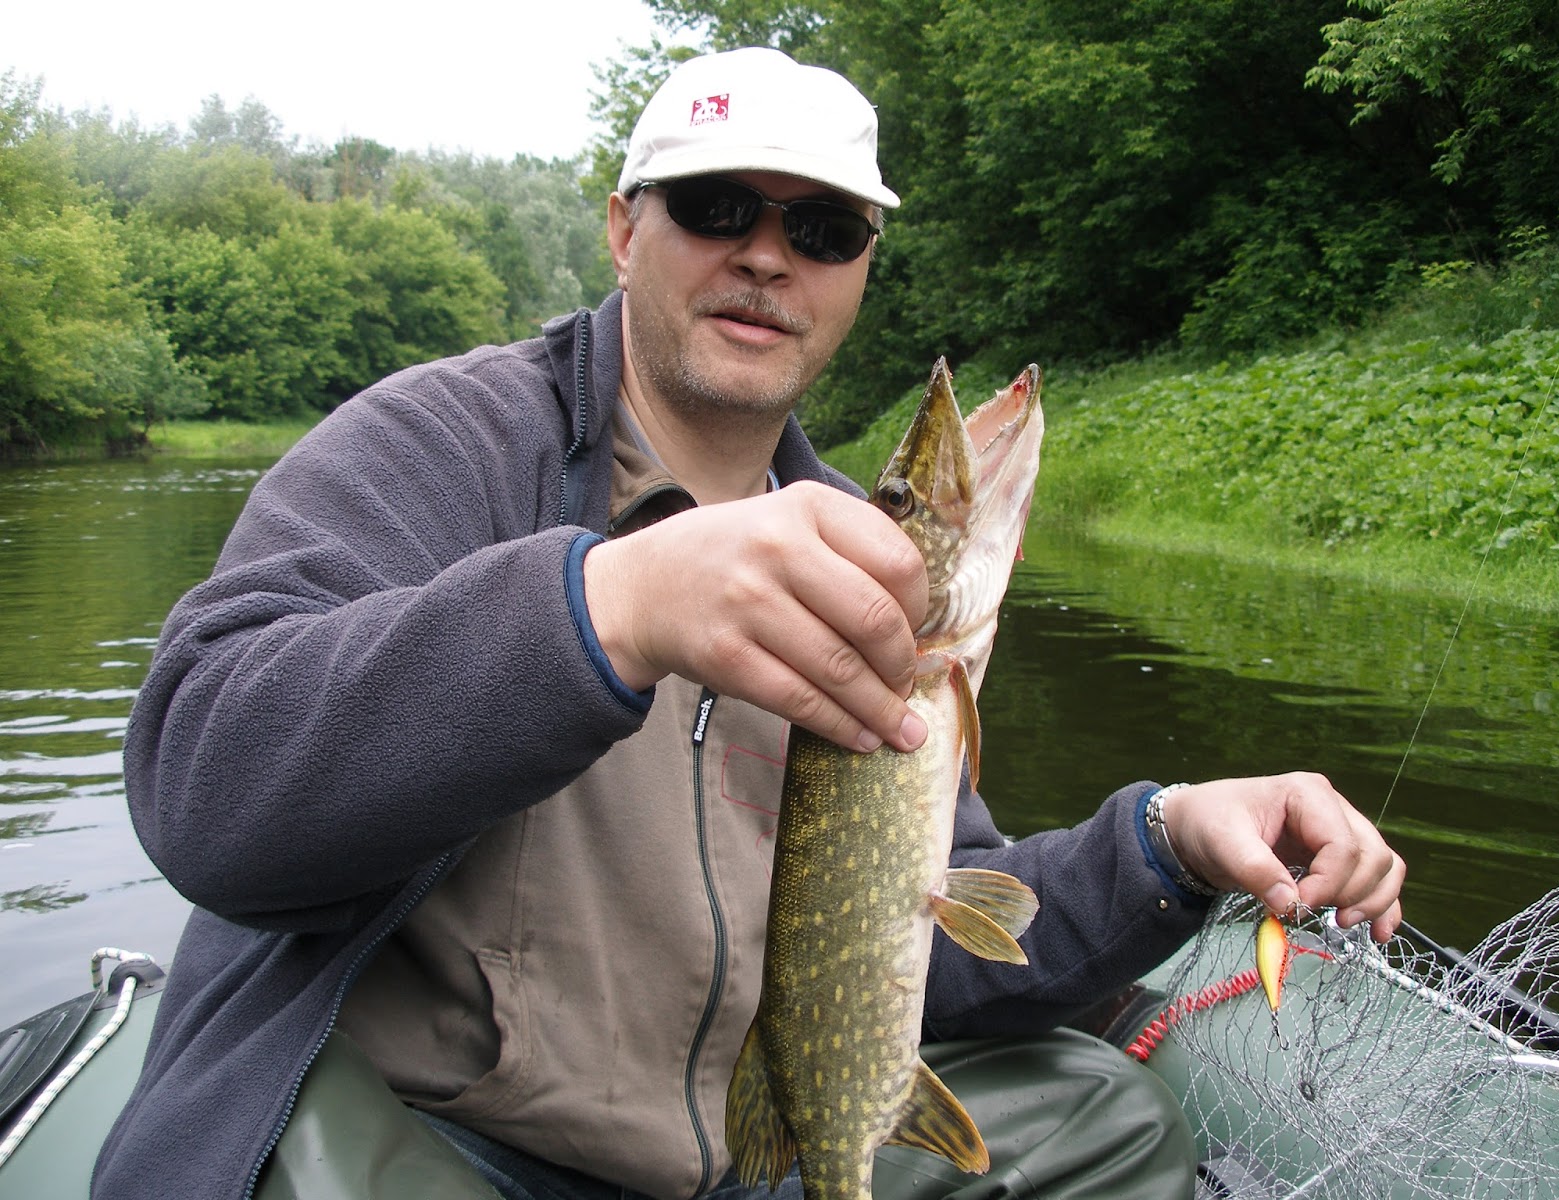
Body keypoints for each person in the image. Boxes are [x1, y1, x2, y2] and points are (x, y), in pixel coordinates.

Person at [93, 46, 1405, 1200]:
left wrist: (1172, 839)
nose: (768, 255)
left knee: (1106, 1122)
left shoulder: (862, 567)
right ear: (624, 230)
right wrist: (612, 610)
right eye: (716, 207)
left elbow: (910, 948)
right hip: (442, 1138)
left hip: (738, 1156)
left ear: (860, 272)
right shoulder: (443, 444)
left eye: (822, 228)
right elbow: (201, 783)